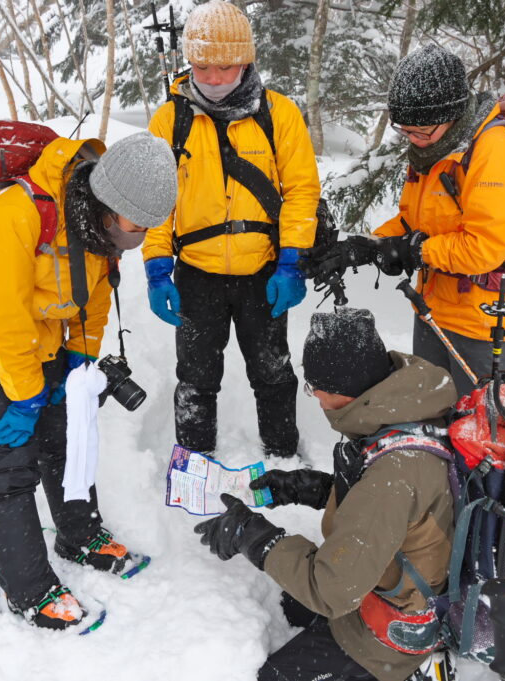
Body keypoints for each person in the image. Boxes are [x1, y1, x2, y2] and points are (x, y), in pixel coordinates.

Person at [0, 131, 177, 630]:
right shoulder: (18, 213)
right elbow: (3, 319)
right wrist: (25, 396)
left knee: (64, 438)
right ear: (109, 203)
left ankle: (78, 534)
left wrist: (80, 357)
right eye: (136, 224)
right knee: (8, 464)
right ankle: (26, 588)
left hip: (44, 339)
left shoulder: (97, 227)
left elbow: (94, 297)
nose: (139, 236)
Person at [193, 308, 457, 681]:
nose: (314, 397)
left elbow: (333, 591)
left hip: (392, 627)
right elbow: (394, 508)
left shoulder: (394, 475)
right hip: (388, 572)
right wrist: (311, 488)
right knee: (289, 600)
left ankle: (412, 668)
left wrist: (252, 536)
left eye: (313, 387)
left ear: (341, 390)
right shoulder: (405, 408)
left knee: (273, 676)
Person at [142, 0, 321, 459]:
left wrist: (292, 261)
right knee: (196, 378)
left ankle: (282, 455)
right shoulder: (170, 120)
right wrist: (157, 267)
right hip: (196, 275)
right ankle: (194, 460)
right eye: (203, 67)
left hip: (263, 272)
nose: (215, 78)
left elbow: (301, 192)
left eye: (225, 66)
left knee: (273, 372)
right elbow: (157, 202)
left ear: (245, 60)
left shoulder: (279, 114)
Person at [370, 45, 505, 395]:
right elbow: (412, 221)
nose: (414, 139)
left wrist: (416, 252)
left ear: (453, 115)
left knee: (475, 424)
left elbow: (483, 247)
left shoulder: (495, 152)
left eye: (421, 130)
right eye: (406, 130)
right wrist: (370, 245)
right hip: (432, 310)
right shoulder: (432, 150)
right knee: (431, 413)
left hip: (483, 324)